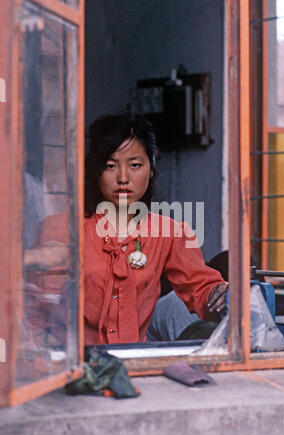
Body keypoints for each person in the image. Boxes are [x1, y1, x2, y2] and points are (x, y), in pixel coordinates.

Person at [83, 112, 228, 344]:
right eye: (110, 166)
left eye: (135, 165)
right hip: (77, 369)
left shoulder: (169, 233)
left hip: (137, 363)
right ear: (95, 170)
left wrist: (219, 294)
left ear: (151, 168)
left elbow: (200, 287)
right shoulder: (68, 231)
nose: (123, 177)